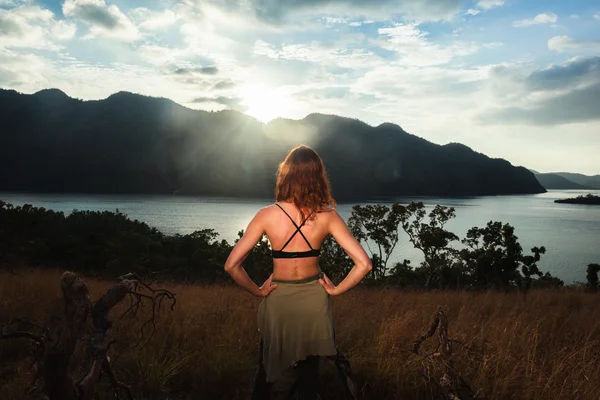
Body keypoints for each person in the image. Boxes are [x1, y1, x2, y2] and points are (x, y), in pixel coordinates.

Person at [224, 145, 372, 400]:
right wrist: (336, 290)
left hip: (278, 298)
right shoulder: (328, 216)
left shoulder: (266, 215)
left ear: (286, 175)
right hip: (313, 300)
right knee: (307, 377)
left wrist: (258, 291)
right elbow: (364, 264)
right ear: (318, 177)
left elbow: (231, 265)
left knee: (268, 370)